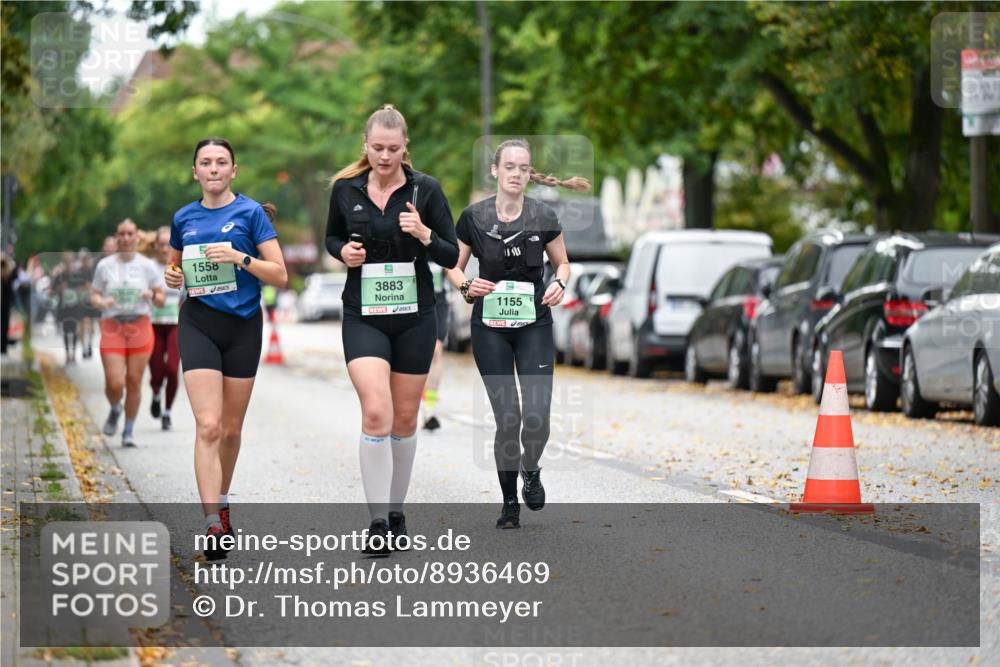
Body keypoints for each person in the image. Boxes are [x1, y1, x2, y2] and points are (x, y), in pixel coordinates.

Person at [325, 104, 458, 555]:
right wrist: (344, 253)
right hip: (363, 314)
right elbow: (331, 237)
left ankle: (397, 509)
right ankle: (378, 521)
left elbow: (449, 253)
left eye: (393, 149)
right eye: (377, 148)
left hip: (415, 316)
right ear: (365, 146)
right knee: (377, 413)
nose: (385, 156)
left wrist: (423, 233)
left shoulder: (426, 190)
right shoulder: (345, 191)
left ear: (406, 148)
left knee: (404, 418)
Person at [445, 138, 586, 529]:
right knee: (509, 419)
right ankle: (509, 504)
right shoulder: (473, 216)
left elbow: (563, 264)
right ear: (495, 171)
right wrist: (465, 286)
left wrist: (559, 283)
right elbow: (453, 267)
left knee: (537, 419)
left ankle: (531, 467)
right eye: (509, 167)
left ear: (529, 172)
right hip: (490, 327)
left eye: (523, 168)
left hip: (534, 325)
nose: (516, 174)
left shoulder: (543, 215)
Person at [164, 137, 287, 561]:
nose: (213, 169)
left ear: (233, 170)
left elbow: (280, 275)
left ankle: (222, 498)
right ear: (195, 171)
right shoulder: (184, 217)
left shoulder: (250, 214)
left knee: (231, 430)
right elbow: (174, 266)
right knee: (209, 426)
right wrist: (172, 277)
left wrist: (241, 257)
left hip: (242, 326)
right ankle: (212, 522)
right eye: (205, 163)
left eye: (221, 162)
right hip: (199, 323)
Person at [90, 219, 166, 447]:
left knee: (134, 381)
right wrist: (102, 301)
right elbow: (93, 295)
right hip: (113, 326)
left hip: (140, 326)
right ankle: (115, 408)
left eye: (129, 233)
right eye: (121, 233)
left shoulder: (147, 266)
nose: (125, 238)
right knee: (114, 383)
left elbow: (161, 299)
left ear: (136, 237)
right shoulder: (105, 265)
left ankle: (128, 431)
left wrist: (151, 296)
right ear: (116, 237)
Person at [148, 227, 182, 431]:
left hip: (175, 324)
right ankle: (156, 394)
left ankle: (167, 412)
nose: (164, 248)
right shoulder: (148, 267)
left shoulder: (181, 266)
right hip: (152, 324)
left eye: (168, 243)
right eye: (161, 244)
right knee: (157, 369)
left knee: (172, 369)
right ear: (155, 246)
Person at [421, 261, 450, 431]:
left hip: (438, 302)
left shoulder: (447, 233)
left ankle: (429, 409)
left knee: (435, 351)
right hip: (410, 298)